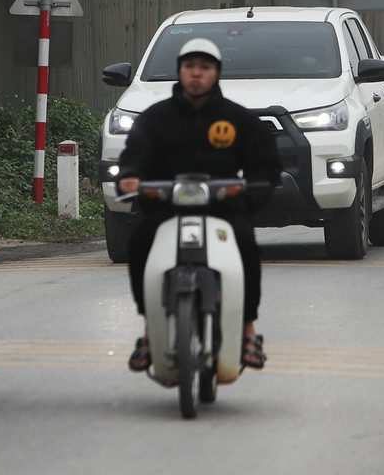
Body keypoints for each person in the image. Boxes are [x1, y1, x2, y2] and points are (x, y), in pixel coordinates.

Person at [116, 38, 282, 372]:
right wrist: (131, 177)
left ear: (216, 74)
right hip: (167, 204)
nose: (196, 74)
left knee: (246, 244)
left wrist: (256, 187)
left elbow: (265, 160)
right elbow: (134, 154)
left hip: (223, 204)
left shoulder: (237, 119)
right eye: (190, 67)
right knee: (140, 243)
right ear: (179, 71)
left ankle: (248, 332)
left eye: (204, 68)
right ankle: (150, 331)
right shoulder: (154, 118)